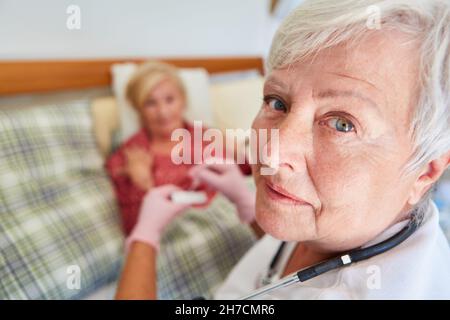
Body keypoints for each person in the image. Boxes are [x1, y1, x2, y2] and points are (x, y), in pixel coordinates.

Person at [115, 0, 450, 299]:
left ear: (425, 170)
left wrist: (144, 240)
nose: (269, 156)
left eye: (342, 124)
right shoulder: (334, 222)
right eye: (277, 101)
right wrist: (247, 205)